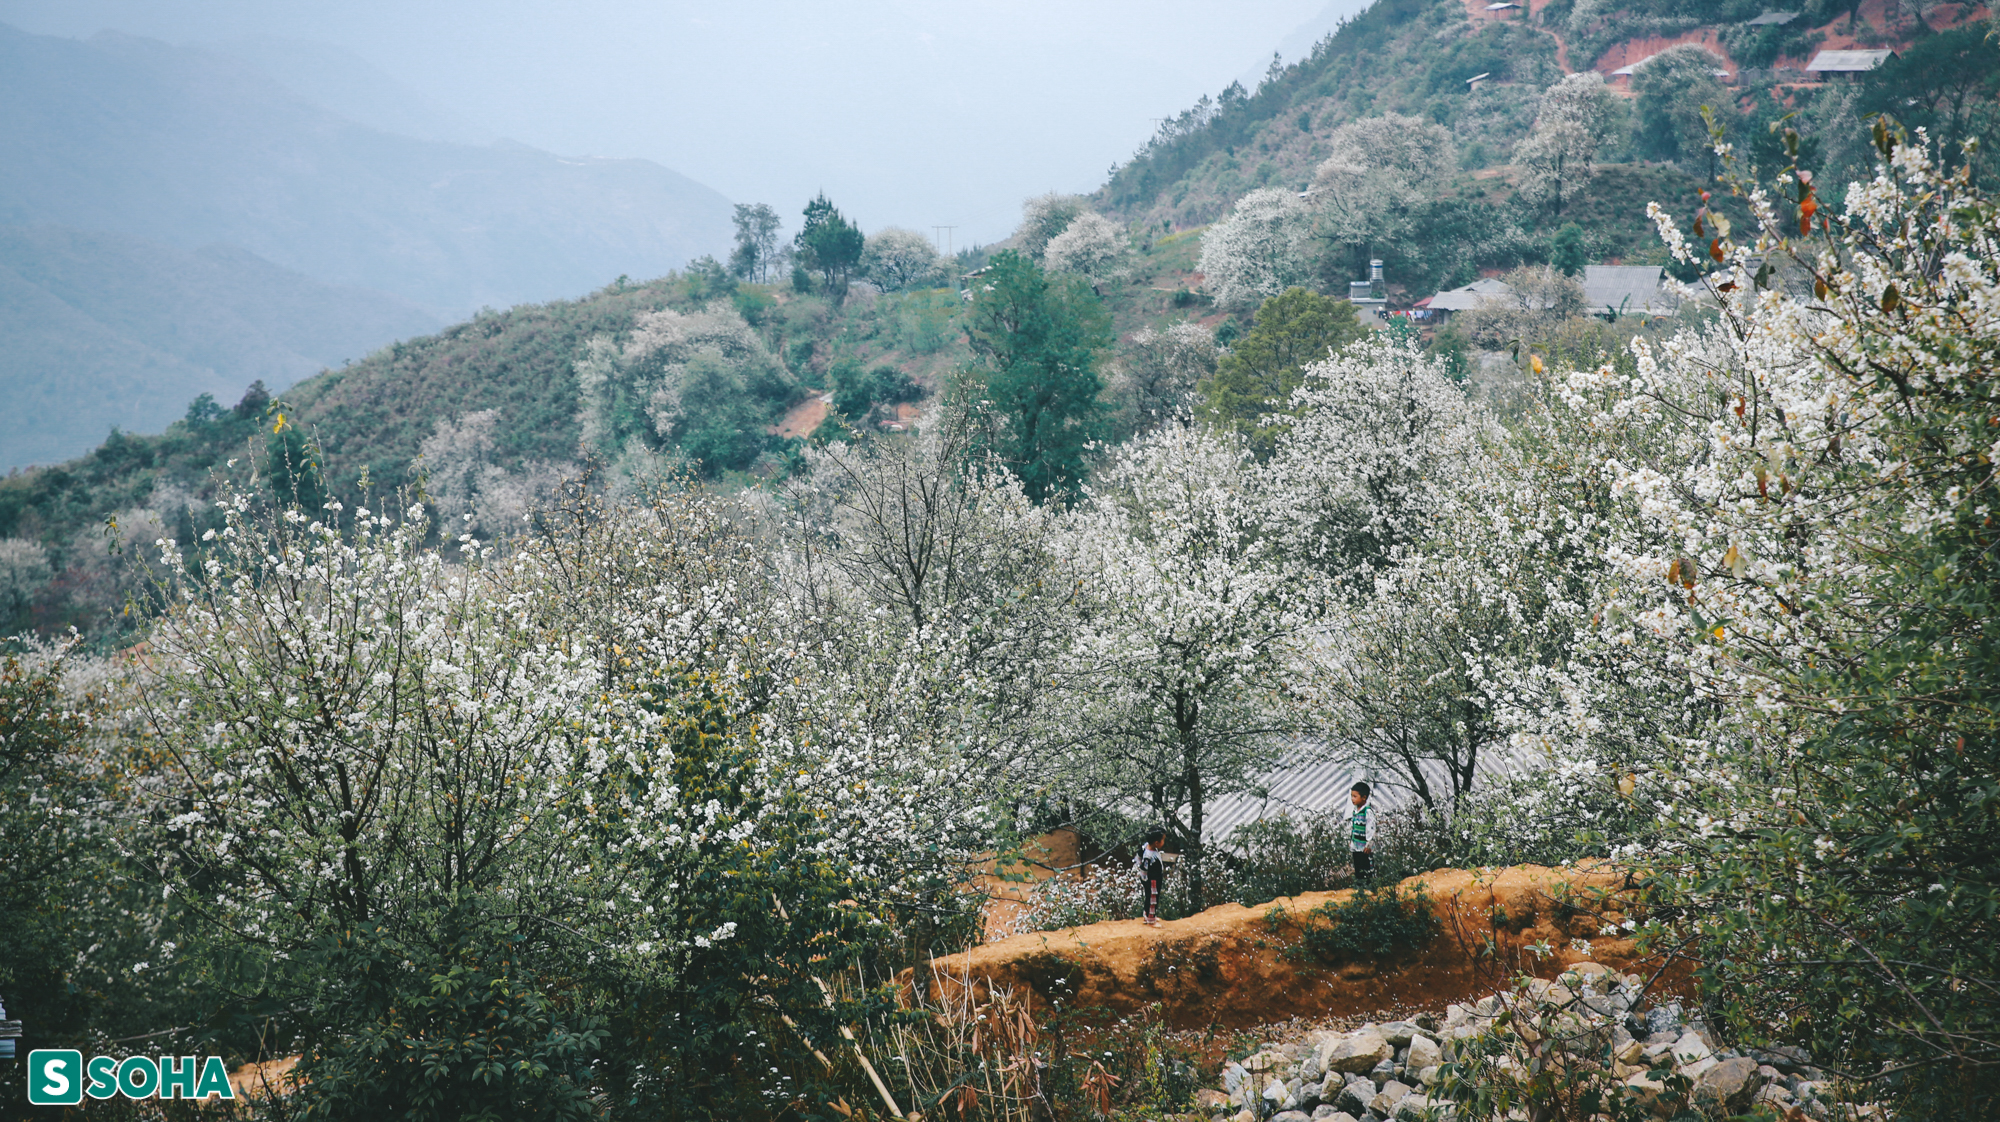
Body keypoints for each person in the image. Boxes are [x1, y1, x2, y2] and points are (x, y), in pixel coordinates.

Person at [1134, 828, 1167, 926]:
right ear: (1156, 843)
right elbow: (1144, 867)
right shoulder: (1149, 855)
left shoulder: (1145, 847)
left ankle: (1147, 914)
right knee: (1153, 898)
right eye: (1163, 840)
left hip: (1153, 879)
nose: (1164, 842)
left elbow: (1138, 856)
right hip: (1152, 879)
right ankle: (1151, 919)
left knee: (1149, 897)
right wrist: (1145, 879)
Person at [1348, 782, 1376, 885]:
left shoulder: (1367, 812)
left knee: (1366, 868)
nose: (1352, 799)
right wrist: (1351, 841)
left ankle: (1369, 887)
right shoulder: (1355, 811)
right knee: (1358, 867)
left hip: (1364, 847)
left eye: (1355, 796)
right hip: (1356, 845)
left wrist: (1369, 844)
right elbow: (1353, 827)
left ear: (1364, 797)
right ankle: (1360, 888)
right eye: (1352, 796)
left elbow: (1371, 829)